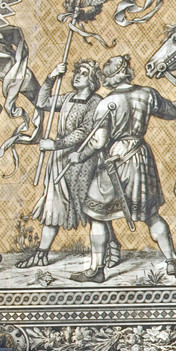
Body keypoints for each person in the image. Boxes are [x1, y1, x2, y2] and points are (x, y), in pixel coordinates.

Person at [68, 54, 176, 283]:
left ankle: (96, 269)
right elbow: (175, 111)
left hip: (114, 161)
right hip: (140, 157)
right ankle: (172, 261)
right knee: (152, 215)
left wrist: (80, 155)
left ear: (109, 78)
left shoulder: (107, 103)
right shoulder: (147, 94)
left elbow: (99, 142)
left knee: (98, 216)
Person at [23, 59, 113, 270]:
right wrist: (51, 77)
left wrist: (56, 143)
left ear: (92, 80)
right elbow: (42, 102)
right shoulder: (68, 98)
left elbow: (84, 131)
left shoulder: (95, 102)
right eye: (77, 72)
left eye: (83, 73)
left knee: (90, 207)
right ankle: (42, 254)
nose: (77, 76)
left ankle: (111, 248)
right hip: (60, 157)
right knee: (53, 204)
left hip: (82, 158)